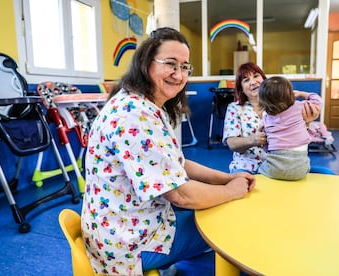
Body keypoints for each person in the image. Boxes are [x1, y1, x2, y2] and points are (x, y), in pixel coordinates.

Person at [80, 27, 255, 276]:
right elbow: (181, 195)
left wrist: (228, 179)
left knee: (215, 208)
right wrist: (231, 190)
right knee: (227, 222)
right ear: (145, 63)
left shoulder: (143, 104)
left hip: (123, 226)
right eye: (171, 64)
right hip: (129, 243)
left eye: (185, 67)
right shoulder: (134, 114)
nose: (179, 74)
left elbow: (177, 163)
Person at [222, 62, 322, 175]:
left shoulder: (283, 104)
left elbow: (298, 136)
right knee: (242, 184)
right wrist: (254, 140)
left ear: (264, 80)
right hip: (247, 166)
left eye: (256, 76)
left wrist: (307, 122)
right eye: (246, 80)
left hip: (283, 164)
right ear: (241, 89)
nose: (253, 82)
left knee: (327, 173)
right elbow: (232, 143)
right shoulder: (234, 108)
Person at [257, 76, 324, 180]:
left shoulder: (266, 118)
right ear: (291, 95)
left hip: (274, 169)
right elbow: (319, 101)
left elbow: (266, 145)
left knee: (259, 172)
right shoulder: (300, 107)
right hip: (301, 170)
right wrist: (302, 93)